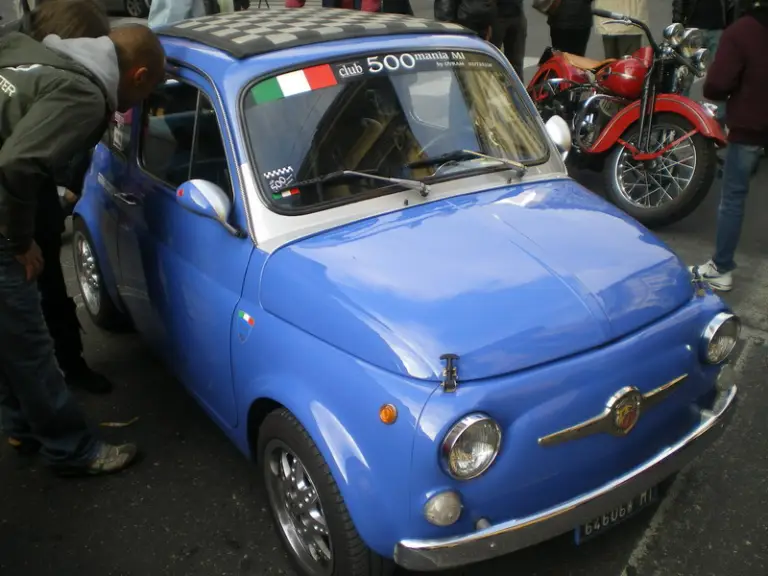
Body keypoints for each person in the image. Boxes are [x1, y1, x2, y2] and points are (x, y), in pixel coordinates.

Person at [0, 21, 166, 475]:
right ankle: (72, 450)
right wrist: (18, 241)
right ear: (137, 78)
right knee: (31, 344)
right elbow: (17, 163)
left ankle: (22, 426)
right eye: (147, 93)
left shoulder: (32, 51)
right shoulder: (85, 95)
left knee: (10, 339)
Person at [689, 0, 768, 292]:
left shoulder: (742, 32)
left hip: (750, 126)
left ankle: (721, 268)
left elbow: (717, 85)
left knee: (733, 198)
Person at [672, 0, 738, 124]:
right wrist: (677, 24)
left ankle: (720, 119)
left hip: (718, 29)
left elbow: (731, 4)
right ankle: (677, 116)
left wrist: (731, 27)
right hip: (693, 27)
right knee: (684, 76)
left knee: (721, 77)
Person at [491, 0, 527, 80]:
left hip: (517, 13)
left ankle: (516, 91)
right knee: (490, 60)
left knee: (516, 65)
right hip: (496, 13)